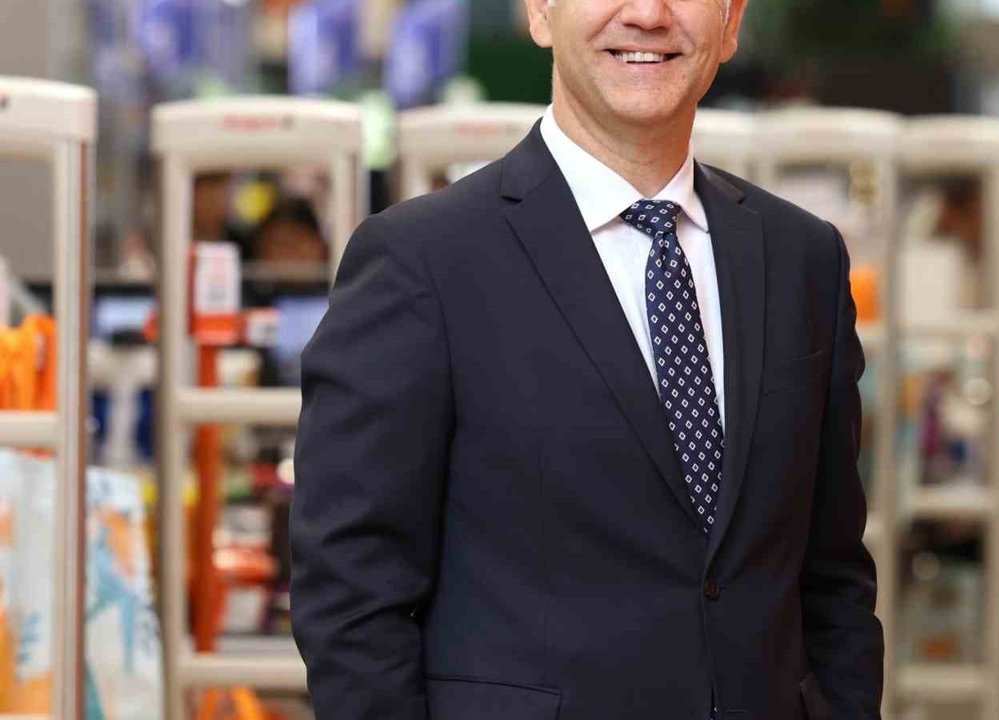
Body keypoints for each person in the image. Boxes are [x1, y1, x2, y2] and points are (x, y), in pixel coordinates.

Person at [289, 1, 884, 719]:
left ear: (731, 23)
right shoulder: (422, 262)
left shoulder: (802, 259)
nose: (648, 14)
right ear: (541, 12)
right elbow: (351, 594)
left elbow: (833, 575)